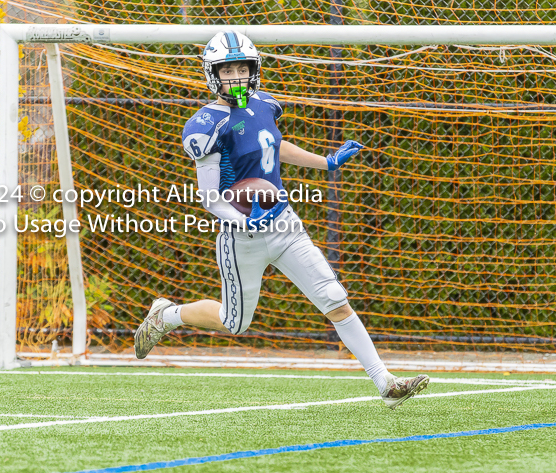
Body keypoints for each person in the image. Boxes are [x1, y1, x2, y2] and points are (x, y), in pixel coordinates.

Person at [134, 31, 429, 409]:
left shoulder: (266, 105)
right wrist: (243, 221)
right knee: (234, 323)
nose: (236, 76)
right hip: (243, 239)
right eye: (228, 70)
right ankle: (168, 314)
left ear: (254, 69)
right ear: (213, 75)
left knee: (335, 299)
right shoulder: (205, 125)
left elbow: (272, 144)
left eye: (243, 67)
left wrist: (326, 161)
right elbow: (210, 198)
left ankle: (385, 384)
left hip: (284, 223)